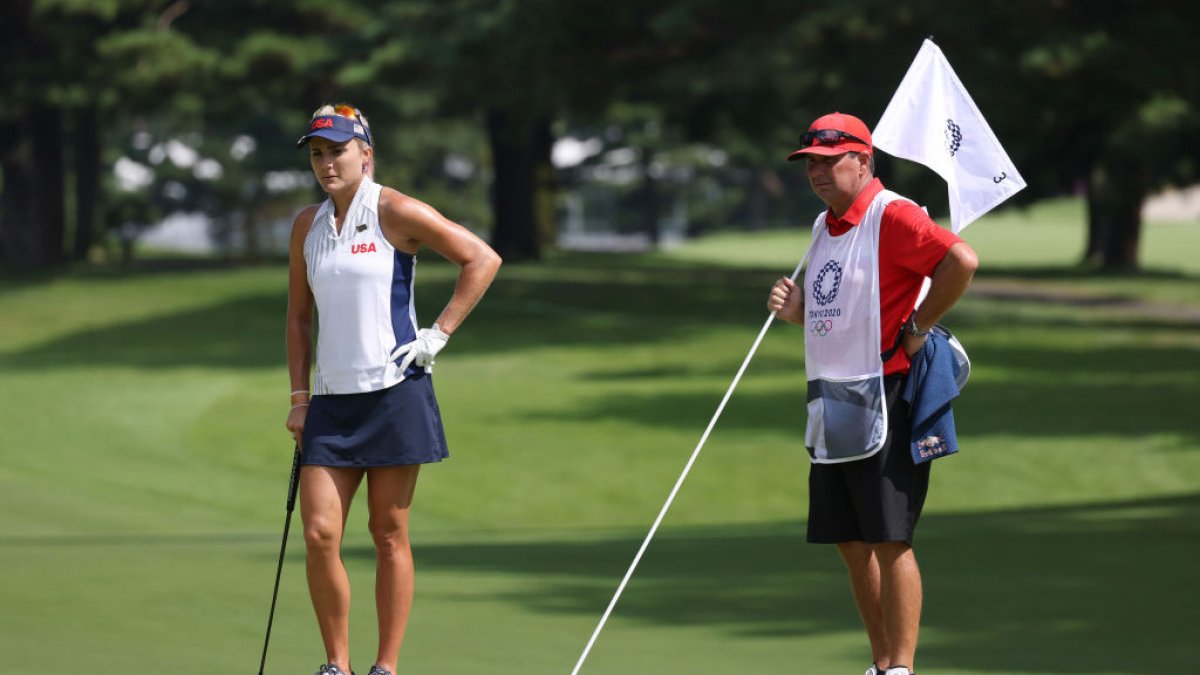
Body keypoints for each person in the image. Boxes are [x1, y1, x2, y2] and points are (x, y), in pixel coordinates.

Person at [285, 103, 501, 675]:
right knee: (320, 532)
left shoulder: (395, 208)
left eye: (337, 151)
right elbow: (298, 318)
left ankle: (386, 668)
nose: (327, 163)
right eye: (317, 154)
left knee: (387, 533)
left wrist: (437, 334)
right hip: (330, 403)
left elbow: (481, 258)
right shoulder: (307, 225)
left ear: (365, 154)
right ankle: (337, 665)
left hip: (392, 392)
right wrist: (298, 399)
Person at [767, 112, 978, 675]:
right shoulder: (824, 225)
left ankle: (903, 669)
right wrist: (799, 314)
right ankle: (882, 664)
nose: (817, 172)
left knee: (890, 537)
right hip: (834, 400)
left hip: (889, 393)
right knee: (850, 541)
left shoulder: (893, 214)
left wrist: (920, 326)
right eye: (810, 163)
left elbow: (961, 260)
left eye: (829, 162)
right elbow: (839, 313)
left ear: (862, 160)